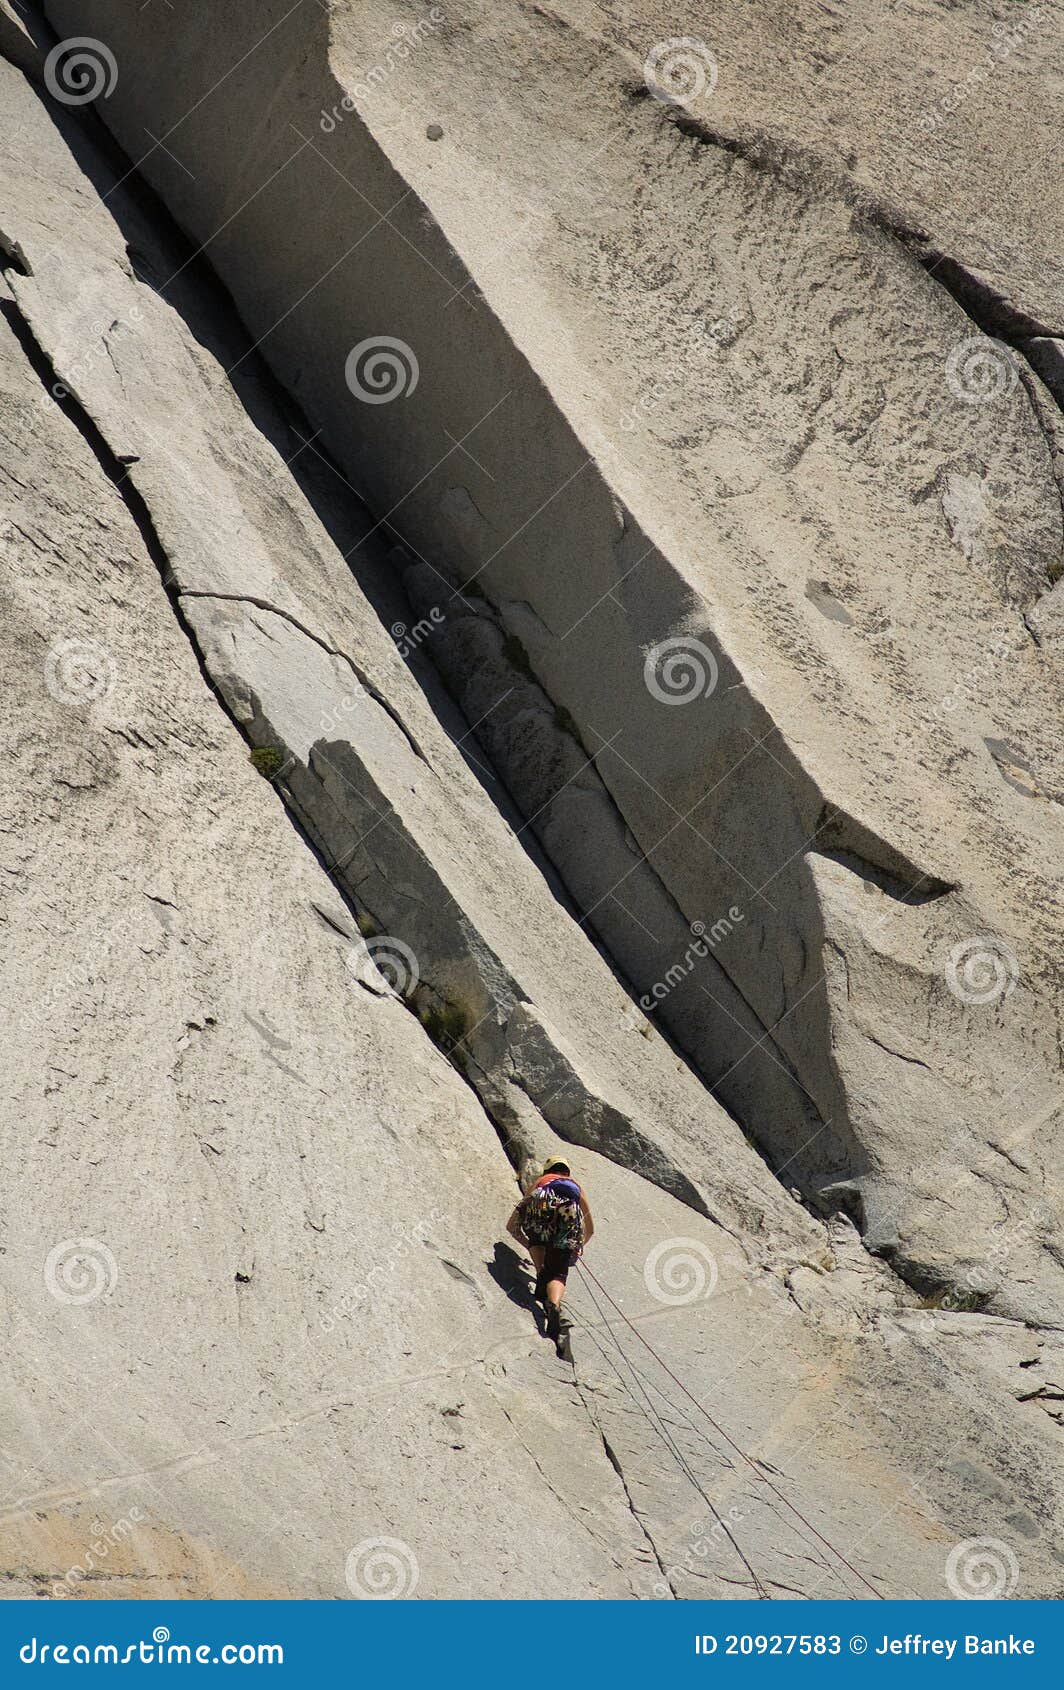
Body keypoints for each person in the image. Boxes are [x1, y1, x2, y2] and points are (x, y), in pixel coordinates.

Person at [506, 1156, 594, 1343]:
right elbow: (590, 1228)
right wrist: (576, 1246)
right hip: (566, 1222)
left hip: (538, 1220)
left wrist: (525, 1240)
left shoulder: (541, 1182)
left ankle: (541, 1272)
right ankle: (554, 1304)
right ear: (567, 1171)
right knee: (559, 1274)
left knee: (537, 1241)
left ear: (547, 1170)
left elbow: (519, 1214)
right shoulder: (574, 1185)